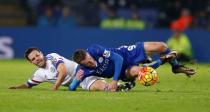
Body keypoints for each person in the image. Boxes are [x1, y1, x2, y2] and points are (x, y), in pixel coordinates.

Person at [71, 42, 196, 91]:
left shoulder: (94, 49)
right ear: (82, 65)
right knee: (140, 72)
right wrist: (76, 79)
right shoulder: (83, 70)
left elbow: (118, 59)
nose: (91, 63)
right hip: (123, 72)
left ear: (88, 53)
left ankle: (175, 66)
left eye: (90, 59)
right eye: (87, 63)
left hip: (125, 54)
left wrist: (114, 81)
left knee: (162, 47)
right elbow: (72, 88)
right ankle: (161, 61)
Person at [9, 47, 119, 91]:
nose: (37, 59)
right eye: (33, 59)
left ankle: (116, 86)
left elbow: (63, 70)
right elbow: (28, 85)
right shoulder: (39, 73)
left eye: (37, 55)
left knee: (96, 87)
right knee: (91, 88)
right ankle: (120, 86)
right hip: (76, 83)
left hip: (81, 73)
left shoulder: (51, 57)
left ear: (41, 53)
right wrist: (15, 88)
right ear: (31, 62)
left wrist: (55, 87)